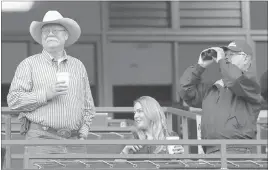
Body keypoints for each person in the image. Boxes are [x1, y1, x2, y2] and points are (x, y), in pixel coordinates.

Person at [7, 11, 96, 155]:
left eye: (55, 30)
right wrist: (46, 94)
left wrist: (83, 133)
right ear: (41, 37)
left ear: (66, 35)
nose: (49, 34)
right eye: (45, 31)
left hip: (75, 142)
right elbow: (13, 101)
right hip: (41, 140)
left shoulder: (78, 66)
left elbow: (88, 106)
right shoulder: (28, 64)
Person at [179, 40, 262, 154]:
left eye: (231, 55)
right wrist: (200, 66)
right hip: (210, 151)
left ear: (246, 59)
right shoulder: (213, 87)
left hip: (237, 151)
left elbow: (234, 80)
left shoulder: (251, 83)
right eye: (225, 55)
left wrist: (221, 60)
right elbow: (185, 91)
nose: (226, 58)